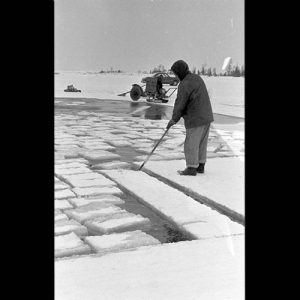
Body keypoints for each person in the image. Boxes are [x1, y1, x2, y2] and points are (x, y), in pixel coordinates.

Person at [166, 60, 214, 176]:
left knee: (191, 144)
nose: (176, 76)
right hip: (206, 116)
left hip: (196, 117)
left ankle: (192, 168)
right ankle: (200, 165)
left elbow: (180, 104)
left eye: (176, 73)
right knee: (201, 143)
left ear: (180, 72)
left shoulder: (184, 84)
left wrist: (173, 119)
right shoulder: (197, 78)